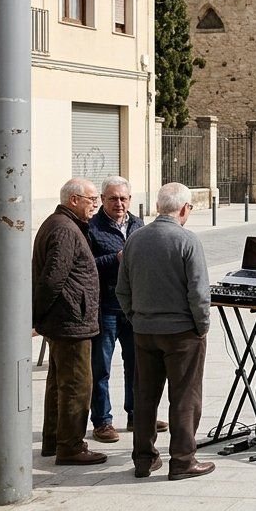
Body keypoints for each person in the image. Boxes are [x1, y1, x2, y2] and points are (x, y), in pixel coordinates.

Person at [116, 182, 214, 480]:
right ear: (185, 208)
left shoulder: (135, 239)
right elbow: (199, 292)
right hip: (181, 332)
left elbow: (122, 289)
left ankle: (144, 459)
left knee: (145, 395)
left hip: (145, 331)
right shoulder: (187, 240)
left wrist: (137, 318)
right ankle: (183, 460)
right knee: (185, 396)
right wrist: (202, 326)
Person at [33, 178, 106, 465]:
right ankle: (71, 445)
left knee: (59, 382)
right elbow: (53, 278)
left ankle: (54, 439)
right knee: (77, 385)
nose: (95, 205)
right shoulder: (65, 229)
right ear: (74, 200)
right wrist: (37, 314)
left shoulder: (61, 224)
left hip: (65, 319)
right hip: (70, 321)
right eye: (91, 199)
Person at [87, 176, 164, 445]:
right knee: (101, 368)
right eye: (113, 198)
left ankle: (137, 415)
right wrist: (115, 258)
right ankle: (102, 421)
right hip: (105, 307)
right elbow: (86, 265)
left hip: (133, 307)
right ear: (102, 200)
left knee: (137, 365)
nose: (119, 203)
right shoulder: (92, 228)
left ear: (130, 200)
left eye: (123, 198)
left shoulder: (138, 224)